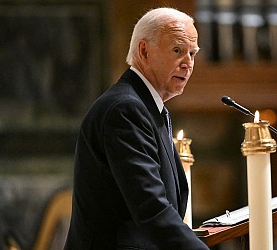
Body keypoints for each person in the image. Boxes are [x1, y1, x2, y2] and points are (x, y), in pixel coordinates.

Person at [64, 7, 209, 250]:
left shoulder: (146, 106)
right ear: (144, 51)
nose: (188, 63)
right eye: (177, 51)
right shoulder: (125, 110)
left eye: (192, 53)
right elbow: (151, 208)